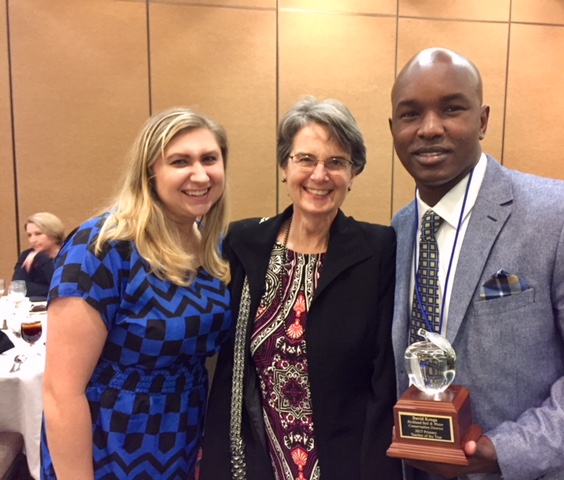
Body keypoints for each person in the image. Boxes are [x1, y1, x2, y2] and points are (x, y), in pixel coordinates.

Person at [389, 47, 564, 480]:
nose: (430, 129)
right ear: (393, 129)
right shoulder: (399, 231)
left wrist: (503, 451)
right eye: (411, 115)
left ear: (482, 119)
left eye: (451, 109)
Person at [200, 97, 402, 480]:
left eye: (336, 162)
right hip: (255, 463)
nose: (319, 175)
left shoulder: (376, 250)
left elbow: (382, 378)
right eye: (305, 159)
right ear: (284, 166)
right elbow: (226, 368)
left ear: (353, 172)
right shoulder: (244, 243)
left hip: (343, 464)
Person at [41, 107, 233, 479]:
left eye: (210, 159)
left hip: (185, 435)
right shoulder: (103, 247)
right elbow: (60, 393)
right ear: (150, 172)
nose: (200, 174)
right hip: (111, 441)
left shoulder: (214, 247)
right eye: (180, 161)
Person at [12, 212, 65, 299]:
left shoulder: (68, 254)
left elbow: (62, 288)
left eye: (38, 234)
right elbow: (18, 288)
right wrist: (50, 289)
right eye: (29, 235)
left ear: (54, 234)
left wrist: (41, 257)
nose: (32, 240)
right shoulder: (26, 255)